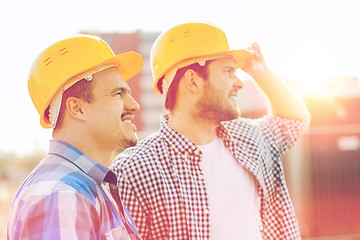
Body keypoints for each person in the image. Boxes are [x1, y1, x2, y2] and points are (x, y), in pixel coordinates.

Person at [110, 22, 311, 240]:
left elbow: (295, 120)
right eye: (228, 72)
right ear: (193, 81)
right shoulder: (133, 172)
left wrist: (261, 72)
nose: (239, 83)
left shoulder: (249, 136)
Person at [7, 35, 143, 239]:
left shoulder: (89, 188)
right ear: (77, 108)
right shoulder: (62, 196)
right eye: (118, 94)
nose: (134, 105)